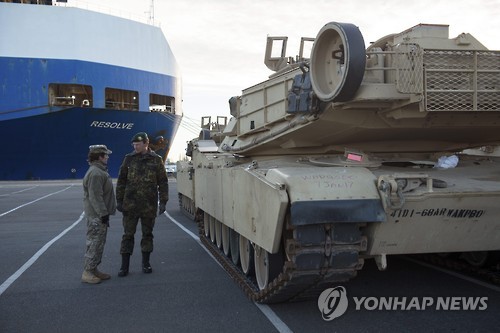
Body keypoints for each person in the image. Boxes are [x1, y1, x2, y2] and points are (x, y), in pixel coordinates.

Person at [116, 132, 168, 277]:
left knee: (147, 235)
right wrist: (119, 200)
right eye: (134, 144)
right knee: (127, 235)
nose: (135, 147)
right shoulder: (128, 159)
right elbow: (121, 181)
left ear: (146, 143)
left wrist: (163, 201)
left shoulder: (156, 160)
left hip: (148, 204)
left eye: (138, 144)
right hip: (130, 204)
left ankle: (146, 263)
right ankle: (124, 266)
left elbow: (163, 182)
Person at [82, 144, 116, 284]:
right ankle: (87, 272)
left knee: (99, 242)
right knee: (94, 243)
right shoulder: (96, 173)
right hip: (97, 215)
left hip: (99, 215)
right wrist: (103, 214)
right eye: (106, 155)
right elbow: (95, 196)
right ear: (100, 157)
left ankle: (94, 269)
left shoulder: (99, 171)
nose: (107, 157)